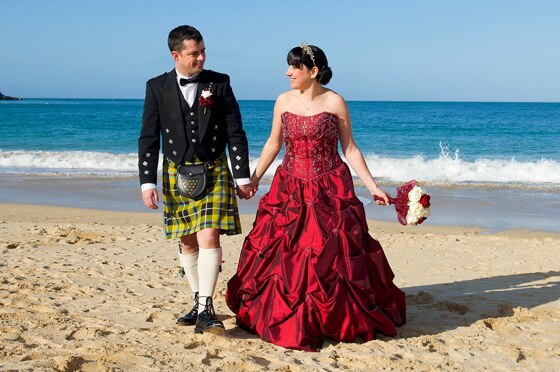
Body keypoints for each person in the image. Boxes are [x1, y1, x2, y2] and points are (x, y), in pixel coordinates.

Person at [226, 43, 406, 351]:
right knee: (286, 249)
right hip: (291, 185)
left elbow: (349, 148)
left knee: (329, 252)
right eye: (288, 66)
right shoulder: (282, 100)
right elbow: (273, 144)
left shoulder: (335, 102)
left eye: (294, 67)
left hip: (330, 187)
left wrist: (373, 187)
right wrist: (255, 178)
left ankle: (333, 317)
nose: (288, 72)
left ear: (313, 71)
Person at [138, 25, 256, 335]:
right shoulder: (156, 87)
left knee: (208, 237)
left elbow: (235, 132)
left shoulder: (219, 83)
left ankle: (205, 308)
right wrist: (147, 182)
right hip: (177, 171)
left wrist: (242, 175)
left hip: (214, 168)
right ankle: (198, 300)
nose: (201, 58)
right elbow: (148, 137)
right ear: (175, 55)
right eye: (194, 53)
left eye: (203, 51)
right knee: (187, 239)